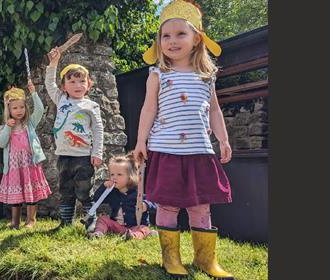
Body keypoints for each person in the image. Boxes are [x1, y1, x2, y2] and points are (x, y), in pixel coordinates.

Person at [133, 0, 233, 278]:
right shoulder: (158, 74)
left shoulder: (207, 76)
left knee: (201, 205)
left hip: (200, 151)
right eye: (166, 35)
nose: (172, 41)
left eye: (180, 34)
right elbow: (148, 109)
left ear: (196, 38)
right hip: (166, 150)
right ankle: (171, 259)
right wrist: (141, 142)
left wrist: (223, 140)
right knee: (168, 204)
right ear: (159, 42)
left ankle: (205, 259)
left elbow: (214, 110)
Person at [45, 47, 104, 231]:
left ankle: (90, 221)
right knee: (66, 191)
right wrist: (54, 63)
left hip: (84, 157)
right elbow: (49, 84)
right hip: (64, 156)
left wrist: (97, 153)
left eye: (81, 81)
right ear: (64, 86)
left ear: (89, 84)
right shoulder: (61, 100)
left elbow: (98, 129)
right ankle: (65, 222)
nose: (77, 85)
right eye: (72, 81)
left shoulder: (91, 105)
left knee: (84, 191)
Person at [0, 79, 52, 229]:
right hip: (14, 166)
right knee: (17, 194)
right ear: (9, 110)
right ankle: (15, 221)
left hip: (29, 163)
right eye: (15, 108)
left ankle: (31, 220)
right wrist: (7, 127)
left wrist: (33, 92)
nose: (19, 110)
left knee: (31, 192)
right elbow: (1, 143)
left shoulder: (30, 123)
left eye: (21, 107)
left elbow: (39, 109)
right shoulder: (5, 128)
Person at [87, 153, 157, 240]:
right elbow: (97, 199)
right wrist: (104, 187)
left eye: (119, 174)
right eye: (112, 174)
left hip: (135, 227)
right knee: (103, 219)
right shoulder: (112, 192)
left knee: (143, 228)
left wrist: (146, 205)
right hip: (117, 226)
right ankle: (98, 233)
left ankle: (133, 236)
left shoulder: (138, 192)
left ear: (130, 177)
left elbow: (155, 203)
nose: (114, 177)